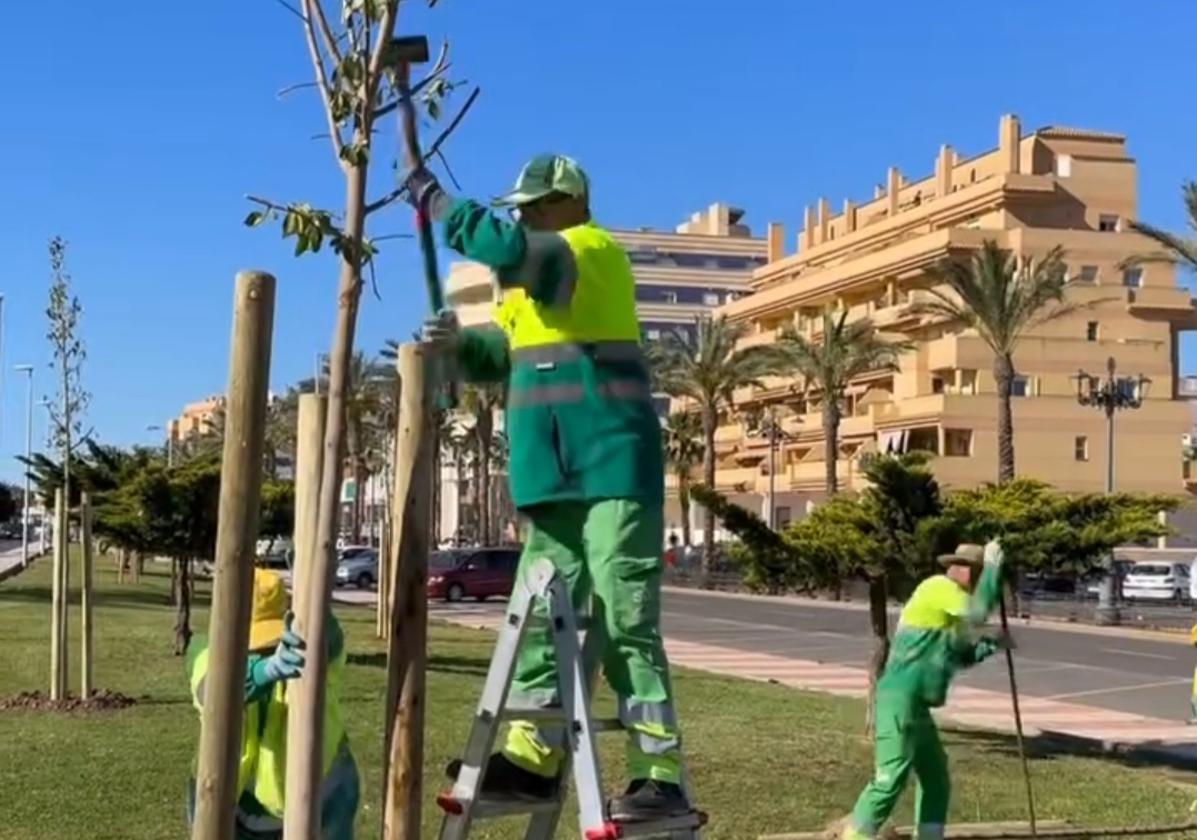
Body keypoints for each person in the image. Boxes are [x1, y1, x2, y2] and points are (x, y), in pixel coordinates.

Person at [407, 154, 691, 821]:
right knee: (540, 618)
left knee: (625, 617)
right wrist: (454, 347)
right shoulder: (529, 289)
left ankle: (658, 772)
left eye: (535, 204)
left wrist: (441, 205)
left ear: (573, 201)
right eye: (520, 206)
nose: (523, 215)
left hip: (613, 467)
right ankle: (531, 757)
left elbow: (507, 248)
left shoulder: (584, 253)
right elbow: (500, 359)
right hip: (550, 476)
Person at [843, 542, 1008, 840]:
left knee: (935, 779)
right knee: (890, 779)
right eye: (980, 575)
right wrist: (995, 571)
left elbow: (956, 657)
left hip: (917, 707)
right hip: (899, 700)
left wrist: (990, 645)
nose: (980, 583)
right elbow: (979, 611)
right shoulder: (937, 587)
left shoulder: (951, 616)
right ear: (965, 571)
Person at [185, 569, 360, 839]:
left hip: (323, 792)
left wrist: (318, 604)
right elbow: (211, 688)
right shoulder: (204, 649)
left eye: (269, 642)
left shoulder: (305, 646)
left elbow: (333, 645)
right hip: (233, 801)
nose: (265, 648)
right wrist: (262, 671)